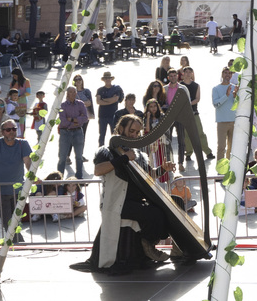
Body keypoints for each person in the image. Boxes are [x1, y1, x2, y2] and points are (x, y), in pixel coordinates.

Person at [87, 114, 179, 269]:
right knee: (155, 213)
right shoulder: (106, 150)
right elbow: (98, 170)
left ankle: (162, 244)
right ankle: (148, 243)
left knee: (170, 205)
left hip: (134, 202)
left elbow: (149, 175)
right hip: (116, 203)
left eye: (137, 133)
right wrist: (123, 159)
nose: (134, 135)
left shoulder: (138, 154)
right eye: (132, 131)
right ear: (121, 128)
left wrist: (163, 169)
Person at [57, 86, 90, 180]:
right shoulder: (63, 105)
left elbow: (85, 118)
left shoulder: (80, 104)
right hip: (65, 132)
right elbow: (63, 121)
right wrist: (77, 121)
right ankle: (59, 178)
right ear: (67, 94)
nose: (73, 94)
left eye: (75, 92)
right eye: (71, 92)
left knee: (79, 156)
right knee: (62, 157)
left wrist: (72, 119)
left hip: (78, 132)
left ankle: (79, 177)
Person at [212, 69, 237, 161]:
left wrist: (235, 97)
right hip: (222, 122)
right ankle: (220, 167)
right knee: (221, 146)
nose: (228, 75)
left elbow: (239, 105)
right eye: (225, 73)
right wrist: (226, 95)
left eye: (229, 73)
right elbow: (216, 104)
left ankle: (230, 166)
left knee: (232, 147)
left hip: (234, 121)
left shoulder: (236, 88)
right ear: (222, 74)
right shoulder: (216, 89)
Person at [96, 71, 124, 147]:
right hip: (102, 115)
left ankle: (115, 148)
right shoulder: (100, 90)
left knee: (114, 133)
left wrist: (104, 100)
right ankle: (101, 149)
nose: (107, 80)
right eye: (106, 78)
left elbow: (116, 99)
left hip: (113, 115)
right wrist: (110, 100)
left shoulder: (116, 89)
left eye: (109, 78)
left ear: (111, 79)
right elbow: (98, 101)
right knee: (102, 134)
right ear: (104, 80)